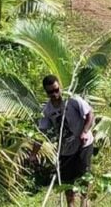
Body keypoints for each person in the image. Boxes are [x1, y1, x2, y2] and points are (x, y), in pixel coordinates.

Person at [30, 75, 95, 207]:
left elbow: (90, 114)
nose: (54, 94)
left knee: (84, 176)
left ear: (59, 86)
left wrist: (85, 131)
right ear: (46, 92)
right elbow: (41, 133)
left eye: (56, 90)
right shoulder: (47, 110)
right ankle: (70, 204)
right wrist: (33, 153)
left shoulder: (72, 100)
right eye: (50, 92)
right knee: (67, 182)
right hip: (65, 149)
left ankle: (84, 202)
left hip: (83, 144)